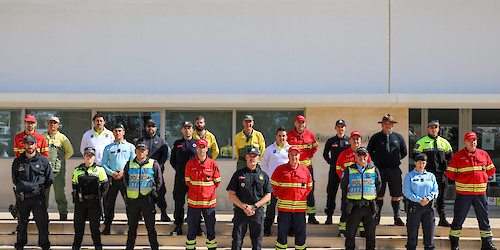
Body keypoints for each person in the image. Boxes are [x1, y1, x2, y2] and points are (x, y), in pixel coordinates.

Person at [447, 132, 496, 250]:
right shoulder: (458, 156)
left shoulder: (484, 154)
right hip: (464, 194)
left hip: (480, 193)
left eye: (474, 140)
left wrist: (481, 179)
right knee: (459, 218)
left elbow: (491, 170)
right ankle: (454, 242)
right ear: (465, 142)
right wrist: (464, 180)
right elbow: (450, 174)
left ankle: (487, 242)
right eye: (470, 140)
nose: (472, 142)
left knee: (483, 218)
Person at [12, 135, 54, 250]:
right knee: (22, 223)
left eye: (32, 144)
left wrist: (40, 190)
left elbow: (50, 179)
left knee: (42, 223)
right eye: (27, 144)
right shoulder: (18, 161)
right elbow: (15, 179)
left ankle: (44, 245)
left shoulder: (43, 161)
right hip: (23, 198)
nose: (29, 146)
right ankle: (20, 245)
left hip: (38, 198)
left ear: (36, 145)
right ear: (24, 145)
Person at [228, 147, 273, 249]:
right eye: (250, 156)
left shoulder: (263, 175)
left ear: (258, 159)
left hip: (257, 212)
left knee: (257, 242)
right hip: (241, 211)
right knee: (237, 241)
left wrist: (254, 207)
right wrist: (244, 207)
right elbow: (231, 194)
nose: (252, 158)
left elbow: (268, 196)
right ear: (246, 157)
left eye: (255, 156)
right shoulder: (238, 174)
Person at [367, 114, 408, 226]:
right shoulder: (376, 137)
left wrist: (395, 159)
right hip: (380, 170)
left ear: (392, 125)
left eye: (389, 124)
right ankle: (377, 216)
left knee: (396, 194)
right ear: (382, 125)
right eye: (385, 123)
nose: (387, 125)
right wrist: (377, 160)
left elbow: (404, 152)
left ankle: (397, 217)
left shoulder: (398, 137)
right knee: (379, 194)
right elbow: (369, 151)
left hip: (394, 170)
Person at [271, 146, 313, 250]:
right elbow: (273, 187)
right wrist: (280, 196)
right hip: (284, 209)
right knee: (282, 234)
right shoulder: (280, 170)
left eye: (296, 154)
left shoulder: (305, 171)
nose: (294, 157)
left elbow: (309, 187)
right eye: (292, 154)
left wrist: (300, 198)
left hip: (300, 209)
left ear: (299, 156)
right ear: (288, 156)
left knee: (300, 235)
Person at [414, 120, 453, 227]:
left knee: (441, 197)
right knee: (426, 196)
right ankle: (424, 220)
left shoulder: (444, 142)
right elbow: (415, 157)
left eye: (435, 127)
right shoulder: (421, 142)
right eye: (431, 127)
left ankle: (442, 218)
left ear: (438, 129)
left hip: (441, 174)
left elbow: (450, 158)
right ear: (428, 129)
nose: (433, 129)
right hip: (426, 174)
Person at [340, 147, 381, 250]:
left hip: (369, 206)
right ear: (355, 156)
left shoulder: (374, 169)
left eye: (364, 155)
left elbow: (379, 185)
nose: (362, 157)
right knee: (350, 235)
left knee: (371, 235)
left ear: (367, 157)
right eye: (359, 155)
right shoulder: (349, 170)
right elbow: (343, 186)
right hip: (354, 207)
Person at [123, 142, 162, 250]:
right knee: (132, 228)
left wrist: (154, 193)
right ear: (135, 151)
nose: (141, 152)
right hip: (133, 201)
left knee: (150, 227)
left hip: (147, 200)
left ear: (147, 152)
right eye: (139, 150)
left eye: (143, 150)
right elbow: (125, 180)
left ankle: (155, 247)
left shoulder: (153, 164)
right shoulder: (129, 163)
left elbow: (159, 181)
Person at [185, 139, 221, 250]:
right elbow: (188, 181)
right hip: (193, 203)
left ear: (207, 149)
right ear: (196, 148)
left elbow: (217, 182)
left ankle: (211, 248)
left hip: (209, 203)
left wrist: (207, 192)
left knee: (210, 228)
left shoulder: (213, 164)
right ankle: (190, 248)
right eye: (199, 147)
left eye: (203, 147)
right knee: (192, 229)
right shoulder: (190, 164)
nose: (201, 149)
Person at [101, 123, 136, 235]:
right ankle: (107, 226)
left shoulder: (130, 147)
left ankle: (131, 226)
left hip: (125, 179)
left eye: (120, 131)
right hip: (112, 179)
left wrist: (124, 173)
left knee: (129, 203)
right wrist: (112, 173)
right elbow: (104, 164)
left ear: (124, 132)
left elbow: (133, 163)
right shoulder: (108, 148)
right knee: (108, 203)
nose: (118, 133)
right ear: (113, 133)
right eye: (116, 131)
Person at [71, 147, 109, 250]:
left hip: (94, 202)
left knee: (95, 228)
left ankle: (98, 247)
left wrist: (99, 198)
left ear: (94, 157)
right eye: (87, 155)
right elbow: (74, 185)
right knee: (78, 228)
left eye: (91, 155)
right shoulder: (77, 170)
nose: (89, 157)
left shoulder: (100, 170)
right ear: (84, 156)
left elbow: (105, 186)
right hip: (81, 202)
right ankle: (76, 247)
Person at [336, 131, 371, 236]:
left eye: (357, 139)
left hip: (361, 189)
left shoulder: (365, 154)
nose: (355, 141)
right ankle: (342, 229)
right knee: (345, 207)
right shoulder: (343, 154)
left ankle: (362, 230)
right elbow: (338, 168)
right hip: (348, 187)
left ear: (360, 141)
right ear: (350, 140)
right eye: (353, 139)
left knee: (360, 209)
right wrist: (345, 181)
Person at [137, 118, 171, 222]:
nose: (150, 128)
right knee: (141, 195)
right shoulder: (141, 141)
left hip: (157, 174)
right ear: (146, 128)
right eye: (148, 126)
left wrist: (157, 168)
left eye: (153, 126)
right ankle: (140, 215)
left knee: (160, 193)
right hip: (143, 174)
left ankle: (164, 214)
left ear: (156, 128)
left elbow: (164, 157)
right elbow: (138, 155)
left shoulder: (161, 141)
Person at [287, 115, 319, 224]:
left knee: (310, 191)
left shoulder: (310, 134)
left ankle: (311, 216)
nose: (301, 124)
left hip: (307, 168)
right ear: (295, 123)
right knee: (293, 191)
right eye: (299, 122)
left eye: (303, 122)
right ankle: (292, 216)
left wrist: (308, 156)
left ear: (305, 124)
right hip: (293, 169)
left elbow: (315, 147)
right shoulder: (289, 135)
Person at [403, 153, 438, 250]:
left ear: (426, 163)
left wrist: (428, 198)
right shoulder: (409, 176)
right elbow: (406, 192)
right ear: (415, 163)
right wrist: (419, 200)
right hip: (414, 208)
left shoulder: (431, 176)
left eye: (423, 163)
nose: (421, 165)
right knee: (412, 233)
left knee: (429, 234)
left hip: (428, 207)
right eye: (419, 163)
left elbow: (435, 190)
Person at [261, 127, 290, 236]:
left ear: (286, 137)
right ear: (276, 137)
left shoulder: (290, 149)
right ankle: (267, 227)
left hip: (287, 184)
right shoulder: (269, 149)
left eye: (283, 136)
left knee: (286, 207)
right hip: (272, 184)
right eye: (279, 135)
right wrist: (270, 175)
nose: (281, 138)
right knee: (270, 206)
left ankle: (288, 227)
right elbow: (263, 164)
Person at [43, 115, 74, 221]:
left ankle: (63, 214)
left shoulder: (62, 138)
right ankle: (42, 214)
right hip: (45, 171)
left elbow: (70, 151)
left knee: (59, 193)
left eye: (55, 123)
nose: (52, 125)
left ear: (58, 125)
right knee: (44, 193)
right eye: (51, 123)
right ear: (48, 124)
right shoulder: (43, 137)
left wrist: (61, 160)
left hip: (58, 171)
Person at [170, 121, 198, 235]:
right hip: (180, 177)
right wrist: (180, 169)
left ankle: (197, 226)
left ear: (192, 130)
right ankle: (178, 225)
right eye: (185, 128)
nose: (187, 130)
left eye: (189, 128)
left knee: (195, 203)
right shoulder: (177, 143)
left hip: (195, 178)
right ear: (182, 130)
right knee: (179, 201)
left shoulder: (197, 143)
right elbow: (172, 160)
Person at [323, 119, 350, 225]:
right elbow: (325, 154)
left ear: (345, 128)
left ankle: (346, 217)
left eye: (342, 126)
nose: (340, 128)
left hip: (346, 171)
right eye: (338, 126)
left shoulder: (348, 140)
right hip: (334, 171)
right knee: (331, 193)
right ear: (335, 128)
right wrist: (332, 163)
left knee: (346, 194)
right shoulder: (331, 141)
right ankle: (329, 216)